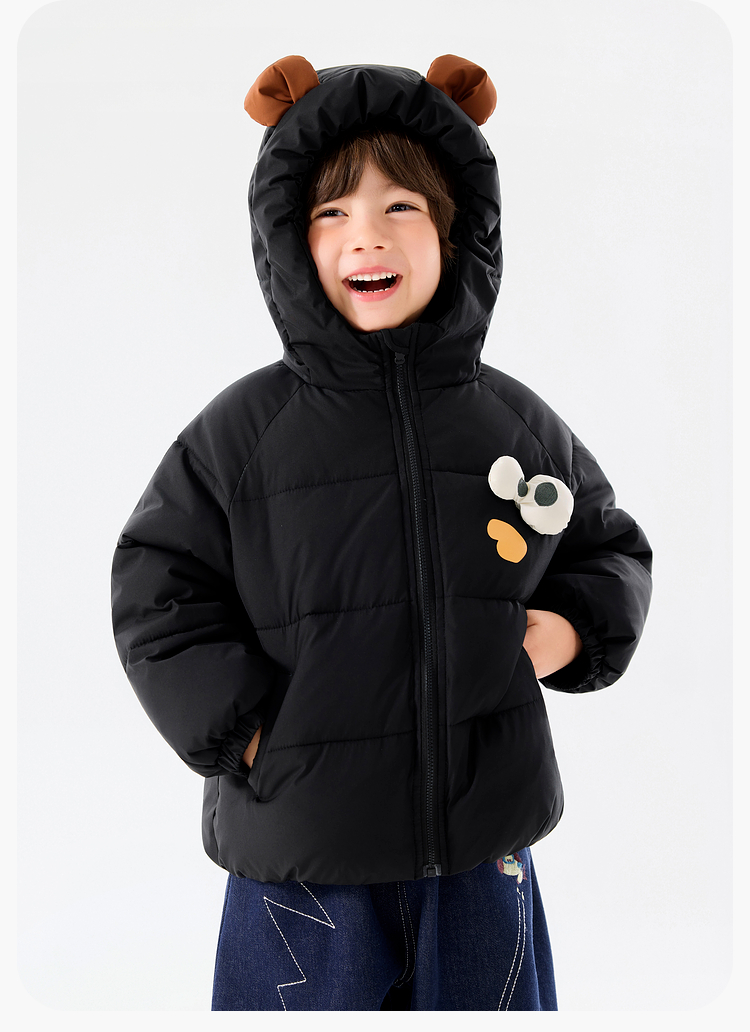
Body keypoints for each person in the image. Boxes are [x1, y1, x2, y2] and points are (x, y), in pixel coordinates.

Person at [111, 55, 653, 1011]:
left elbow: (607, 547)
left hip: (482, 848)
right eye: (331, 212)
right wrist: (247, 732)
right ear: (291, 242)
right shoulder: (242, 435)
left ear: (456, 231)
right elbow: (158, 590)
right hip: (304, 861)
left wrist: (567, 632)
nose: (367, 233)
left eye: (401, 205)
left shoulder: (514, 423)